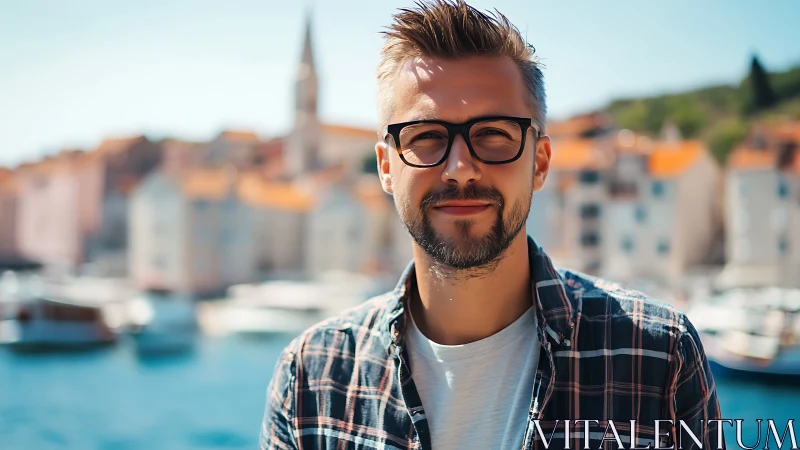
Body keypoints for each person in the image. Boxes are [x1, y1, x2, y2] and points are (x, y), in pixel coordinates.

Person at [260, 1, 724, 449]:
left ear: (540, 163)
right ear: (386, 167)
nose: (461, 168)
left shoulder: (659, 357)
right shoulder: (311, 379)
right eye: (426, 137)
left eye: (494, 135)